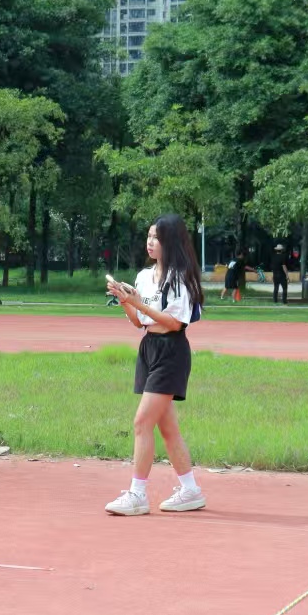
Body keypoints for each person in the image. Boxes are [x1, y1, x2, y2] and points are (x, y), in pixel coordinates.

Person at [103, 215, 206, 517]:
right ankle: (191, 490)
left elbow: (175, 322)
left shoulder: (180, 278)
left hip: (171, 350)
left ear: (170, 242)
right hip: (149, 348)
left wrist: (139, 304)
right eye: (148, 236)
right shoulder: (143, 276)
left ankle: (137, 495)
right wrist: (125, 301)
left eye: (156, 238)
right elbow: (140, 322)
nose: (150, 242)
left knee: (142, 423)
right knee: (167, 428)